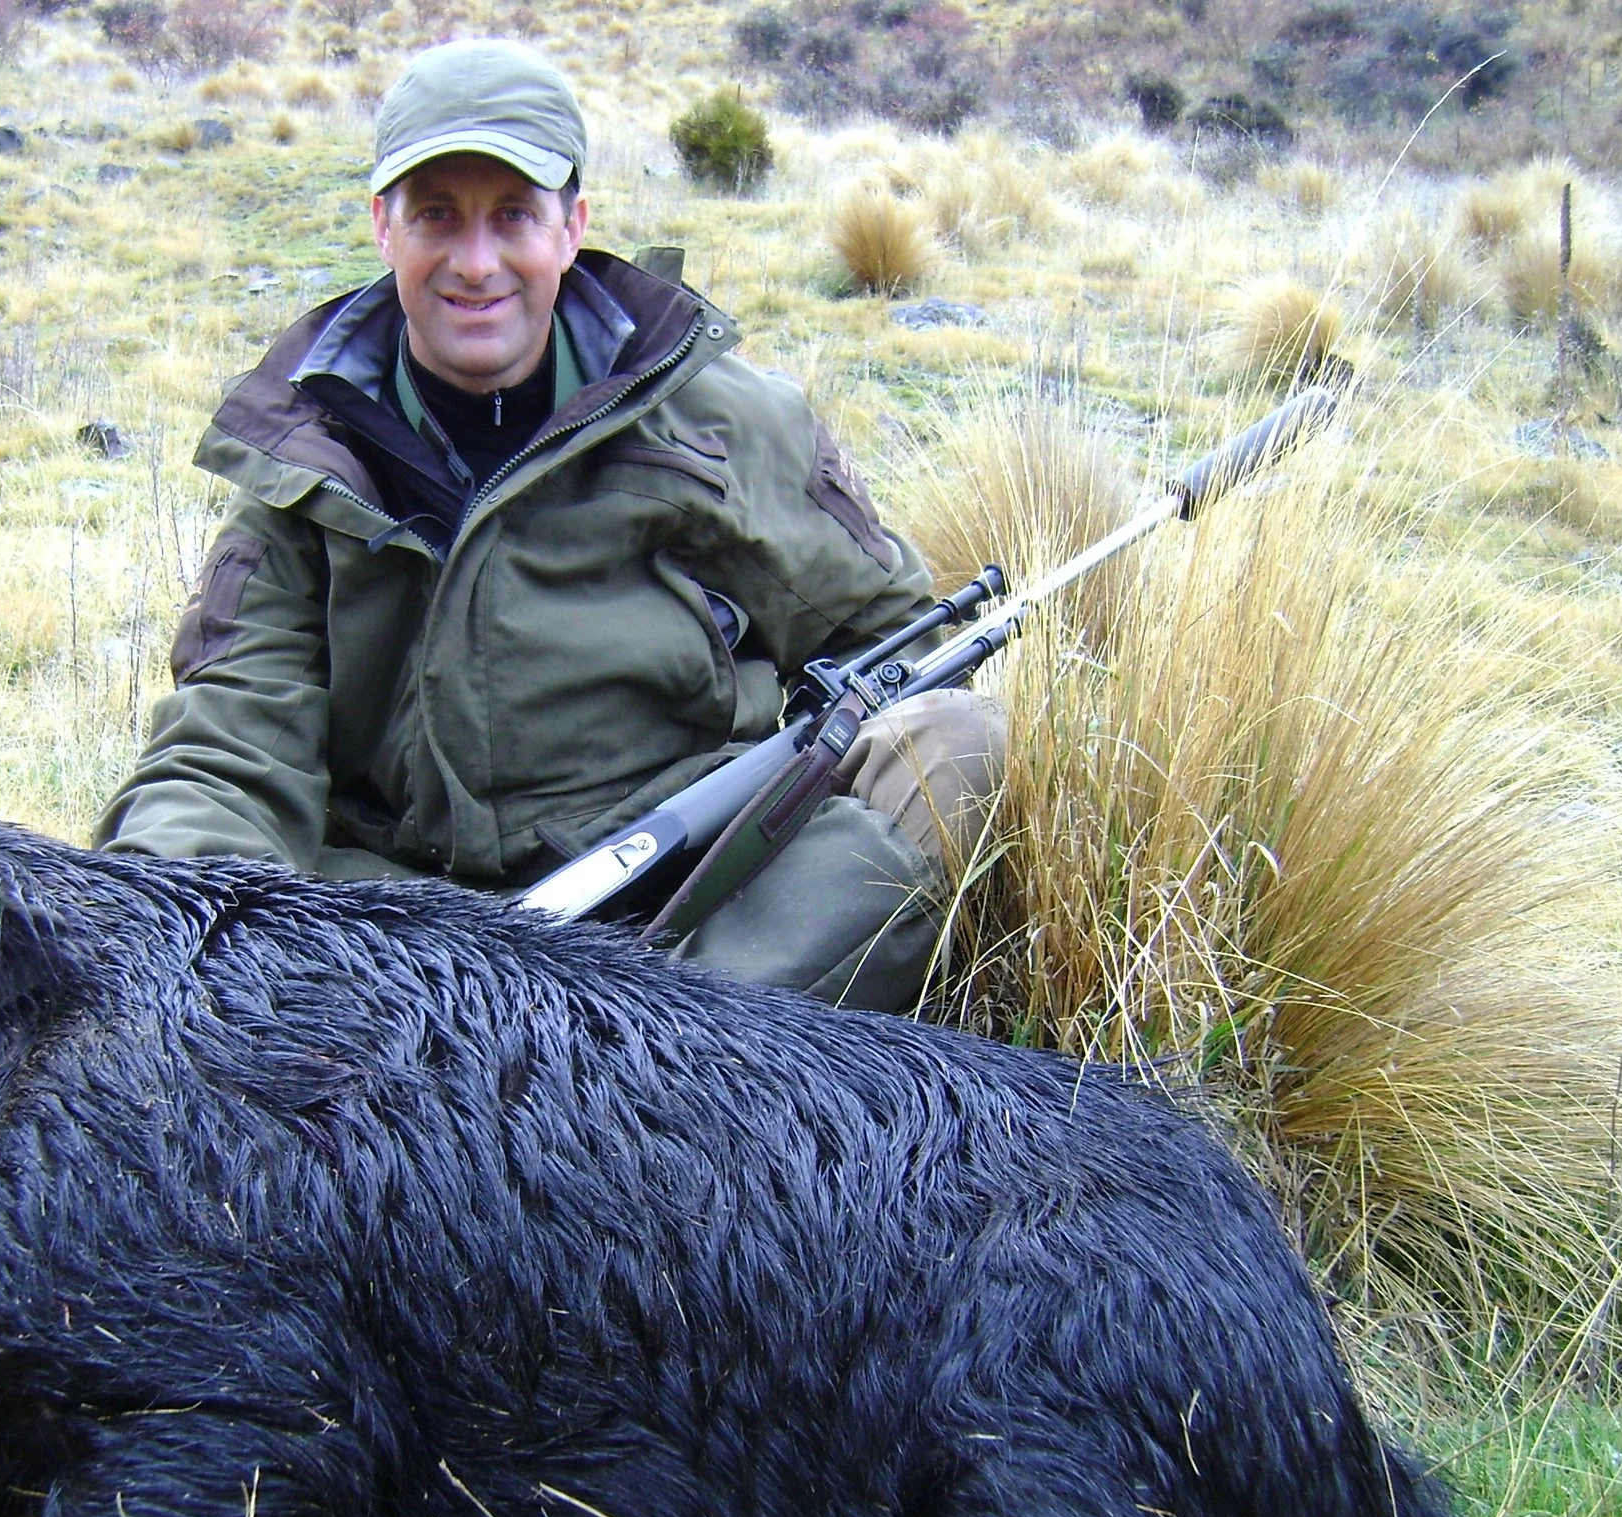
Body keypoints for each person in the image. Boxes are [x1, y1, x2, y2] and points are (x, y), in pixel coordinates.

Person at [96, 39, 1003, 1012]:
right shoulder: (304, 464)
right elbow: (227, 755)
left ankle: (668, 1069)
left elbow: (898, 642)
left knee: (955, 742)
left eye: (513, 217)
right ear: (382, 226)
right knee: (162, 889)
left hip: (691, 908)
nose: (475, 263)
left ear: (571, 226)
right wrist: (150, 929)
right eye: (436, 215)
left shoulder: (731, 422)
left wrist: (780, 794)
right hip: (395, 934)